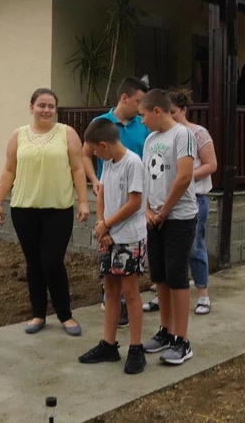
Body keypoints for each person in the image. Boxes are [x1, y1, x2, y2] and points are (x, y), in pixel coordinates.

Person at [0, 88, 90, 336]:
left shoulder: (67, 133)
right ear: (31, 107)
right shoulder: (18, 135)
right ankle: (38, 314)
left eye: (51, 106)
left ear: (56, 109)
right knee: (34, 262)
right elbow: (9, 170)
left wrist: (83, 202)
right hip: (23, 208)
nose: (46, 110)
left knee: (52, 261)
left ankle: (65, 314)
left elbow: (78, 169)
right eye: (41, 105)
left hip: (58, 208)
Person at [77, 118, 147, 374]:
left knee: (131, 293)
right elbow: (102, 194)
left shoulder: (133, 163)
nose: (94, 155)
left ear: (104, 145)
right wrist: (101, 225)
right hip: (108, 235)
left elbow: (134, 203)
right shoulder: (108, 163)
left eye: (94, 150)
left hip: (129, 237)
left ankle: (136, 348)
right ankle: (109, 344)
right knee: (110, 289)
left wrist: (107, 224)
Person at [82, 76, 149, 327]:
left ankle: (126, 311)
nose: (141, 108)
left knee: (129, 276)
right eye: (138, 101)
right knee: (110, 271)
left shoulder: (143, 125)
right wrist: (94, 181)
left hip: (132, 204)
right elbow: (86, 155)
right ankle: (111, 302)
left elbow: (136, 196)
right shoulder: (101, 124)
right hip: (108, 200)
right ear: (124, 98)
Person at [138, 89, 198, 366]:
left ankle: (181, 340)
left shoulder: (182, 135)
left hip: (179, 218)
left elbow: (184, 176)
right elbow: (146, 179)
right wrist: (148, 210)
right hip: (155, 218)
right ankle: (165, 330)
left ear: (157, 111)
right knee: (160, 276)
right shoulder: (151, 139)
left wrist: (164, 211)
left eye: (143, 115)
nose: (142, 121)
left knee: (176, 276)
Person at [168, 89, 218, 315]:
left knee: (195, 246)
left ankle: (202, 294)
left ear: (184, 110)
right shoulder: (163, 135)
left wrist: (186, 177)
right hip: (168, 199)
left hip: (194, 198)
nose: (170, 117)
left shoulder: (198, 133)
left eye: (174, 112)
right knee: (168, 248)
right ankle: (165, 294)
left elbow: (211, 164)